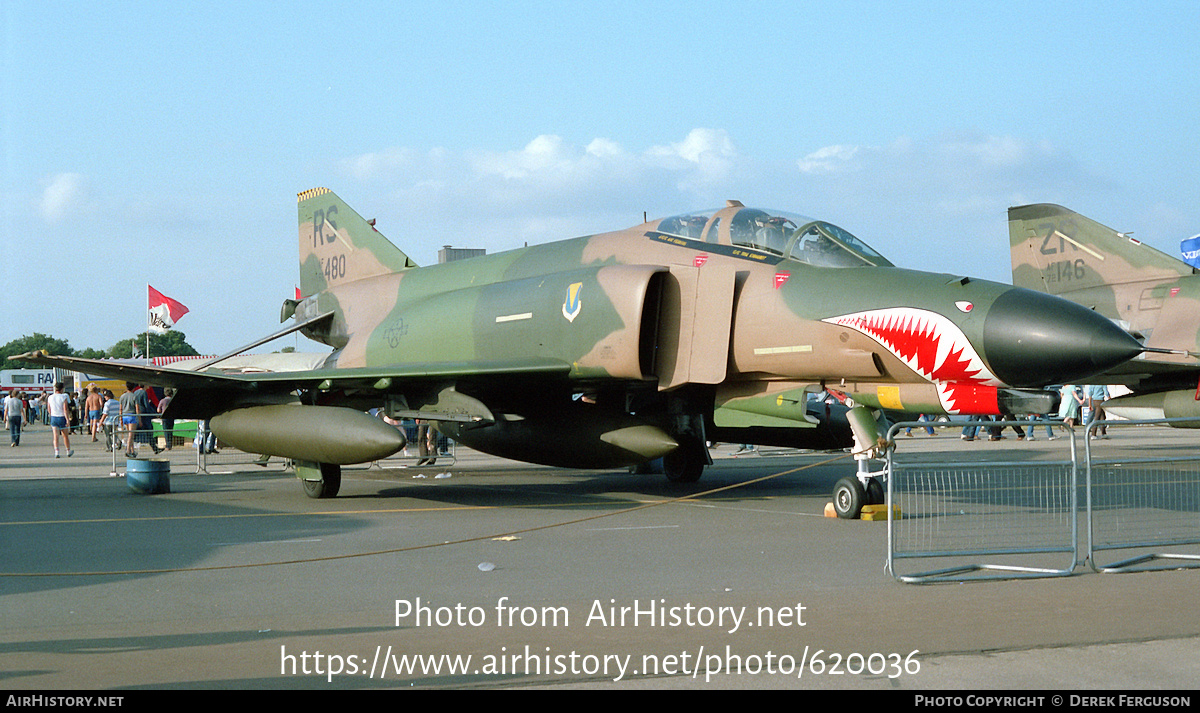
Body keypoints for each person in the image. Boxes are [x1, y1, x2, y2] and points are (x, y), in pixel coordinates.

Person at [46, 382, 73, 458]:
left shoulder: (50, 397)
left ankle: (56, 452)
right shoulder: (63, 397)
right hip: (62, 417)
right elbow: (65, 409)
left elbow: (49, 408)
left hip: (54, 417)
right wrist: (67, 419)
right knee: (65, 436)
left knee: (55, 436)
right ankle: (68, 450)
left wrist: (51, 415)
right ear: (62, 389)